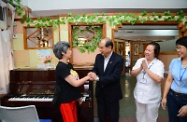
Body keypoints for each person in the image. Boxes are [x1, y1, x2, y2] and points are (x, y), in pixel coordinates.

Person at [52, 41, 91, 122]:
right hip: (65, 101)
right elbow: (75, 83)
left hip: (72, 99)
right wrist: (88, 77)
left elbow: (75, 80)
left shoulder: (68, 65)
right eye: (69, 50)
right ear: (63, 52)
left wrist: (78, 96)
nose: (71, 51)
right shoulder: (61, 67)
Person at [88, 37, 124, 122]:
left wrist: (98, 78)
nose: (100, 50)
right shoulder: (99, 57)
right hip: (100, 93)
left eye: (101, 47)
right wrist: (93, 73)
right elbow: (96, 69)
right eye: (99, 47)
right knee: (101, 116)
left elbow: (115, 76)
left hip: (112, 94)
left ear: (109, 48)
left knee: (113, 117)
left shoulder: (118, 59)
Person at [131, 42, 164, 122]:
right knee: (140, 116)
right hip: (139, 94)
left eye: (149, 50)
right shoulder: (140, 60)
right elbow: (132, 73)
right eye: (146, 50)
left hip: (152, 97)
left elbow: (158, 79)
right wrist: (140, 68)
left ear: (155, 53)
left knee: (151, 118)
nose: (146, 52)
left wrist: (146, 69)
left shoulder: (159, 64)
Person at [161, 36, 187, 122]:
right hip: (172, 97)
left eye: (180, 48)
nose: (177, 50)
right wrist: (164, 97)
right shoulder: (174, 61)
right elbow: (169, 80)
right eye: (177, 48)